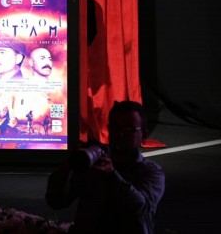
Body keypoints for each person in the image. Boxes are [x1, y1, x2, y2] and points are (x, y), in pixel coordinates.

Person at [45, 100, 165, 233]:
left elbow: (142, 208)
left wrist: (112, 176)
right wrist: (68, 166)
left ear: (144, 134)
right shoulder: (93, 164)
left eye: (128, 129)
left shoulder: (151, 172)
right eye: (115, 128)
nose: (120, 134)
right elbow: (56, 201)